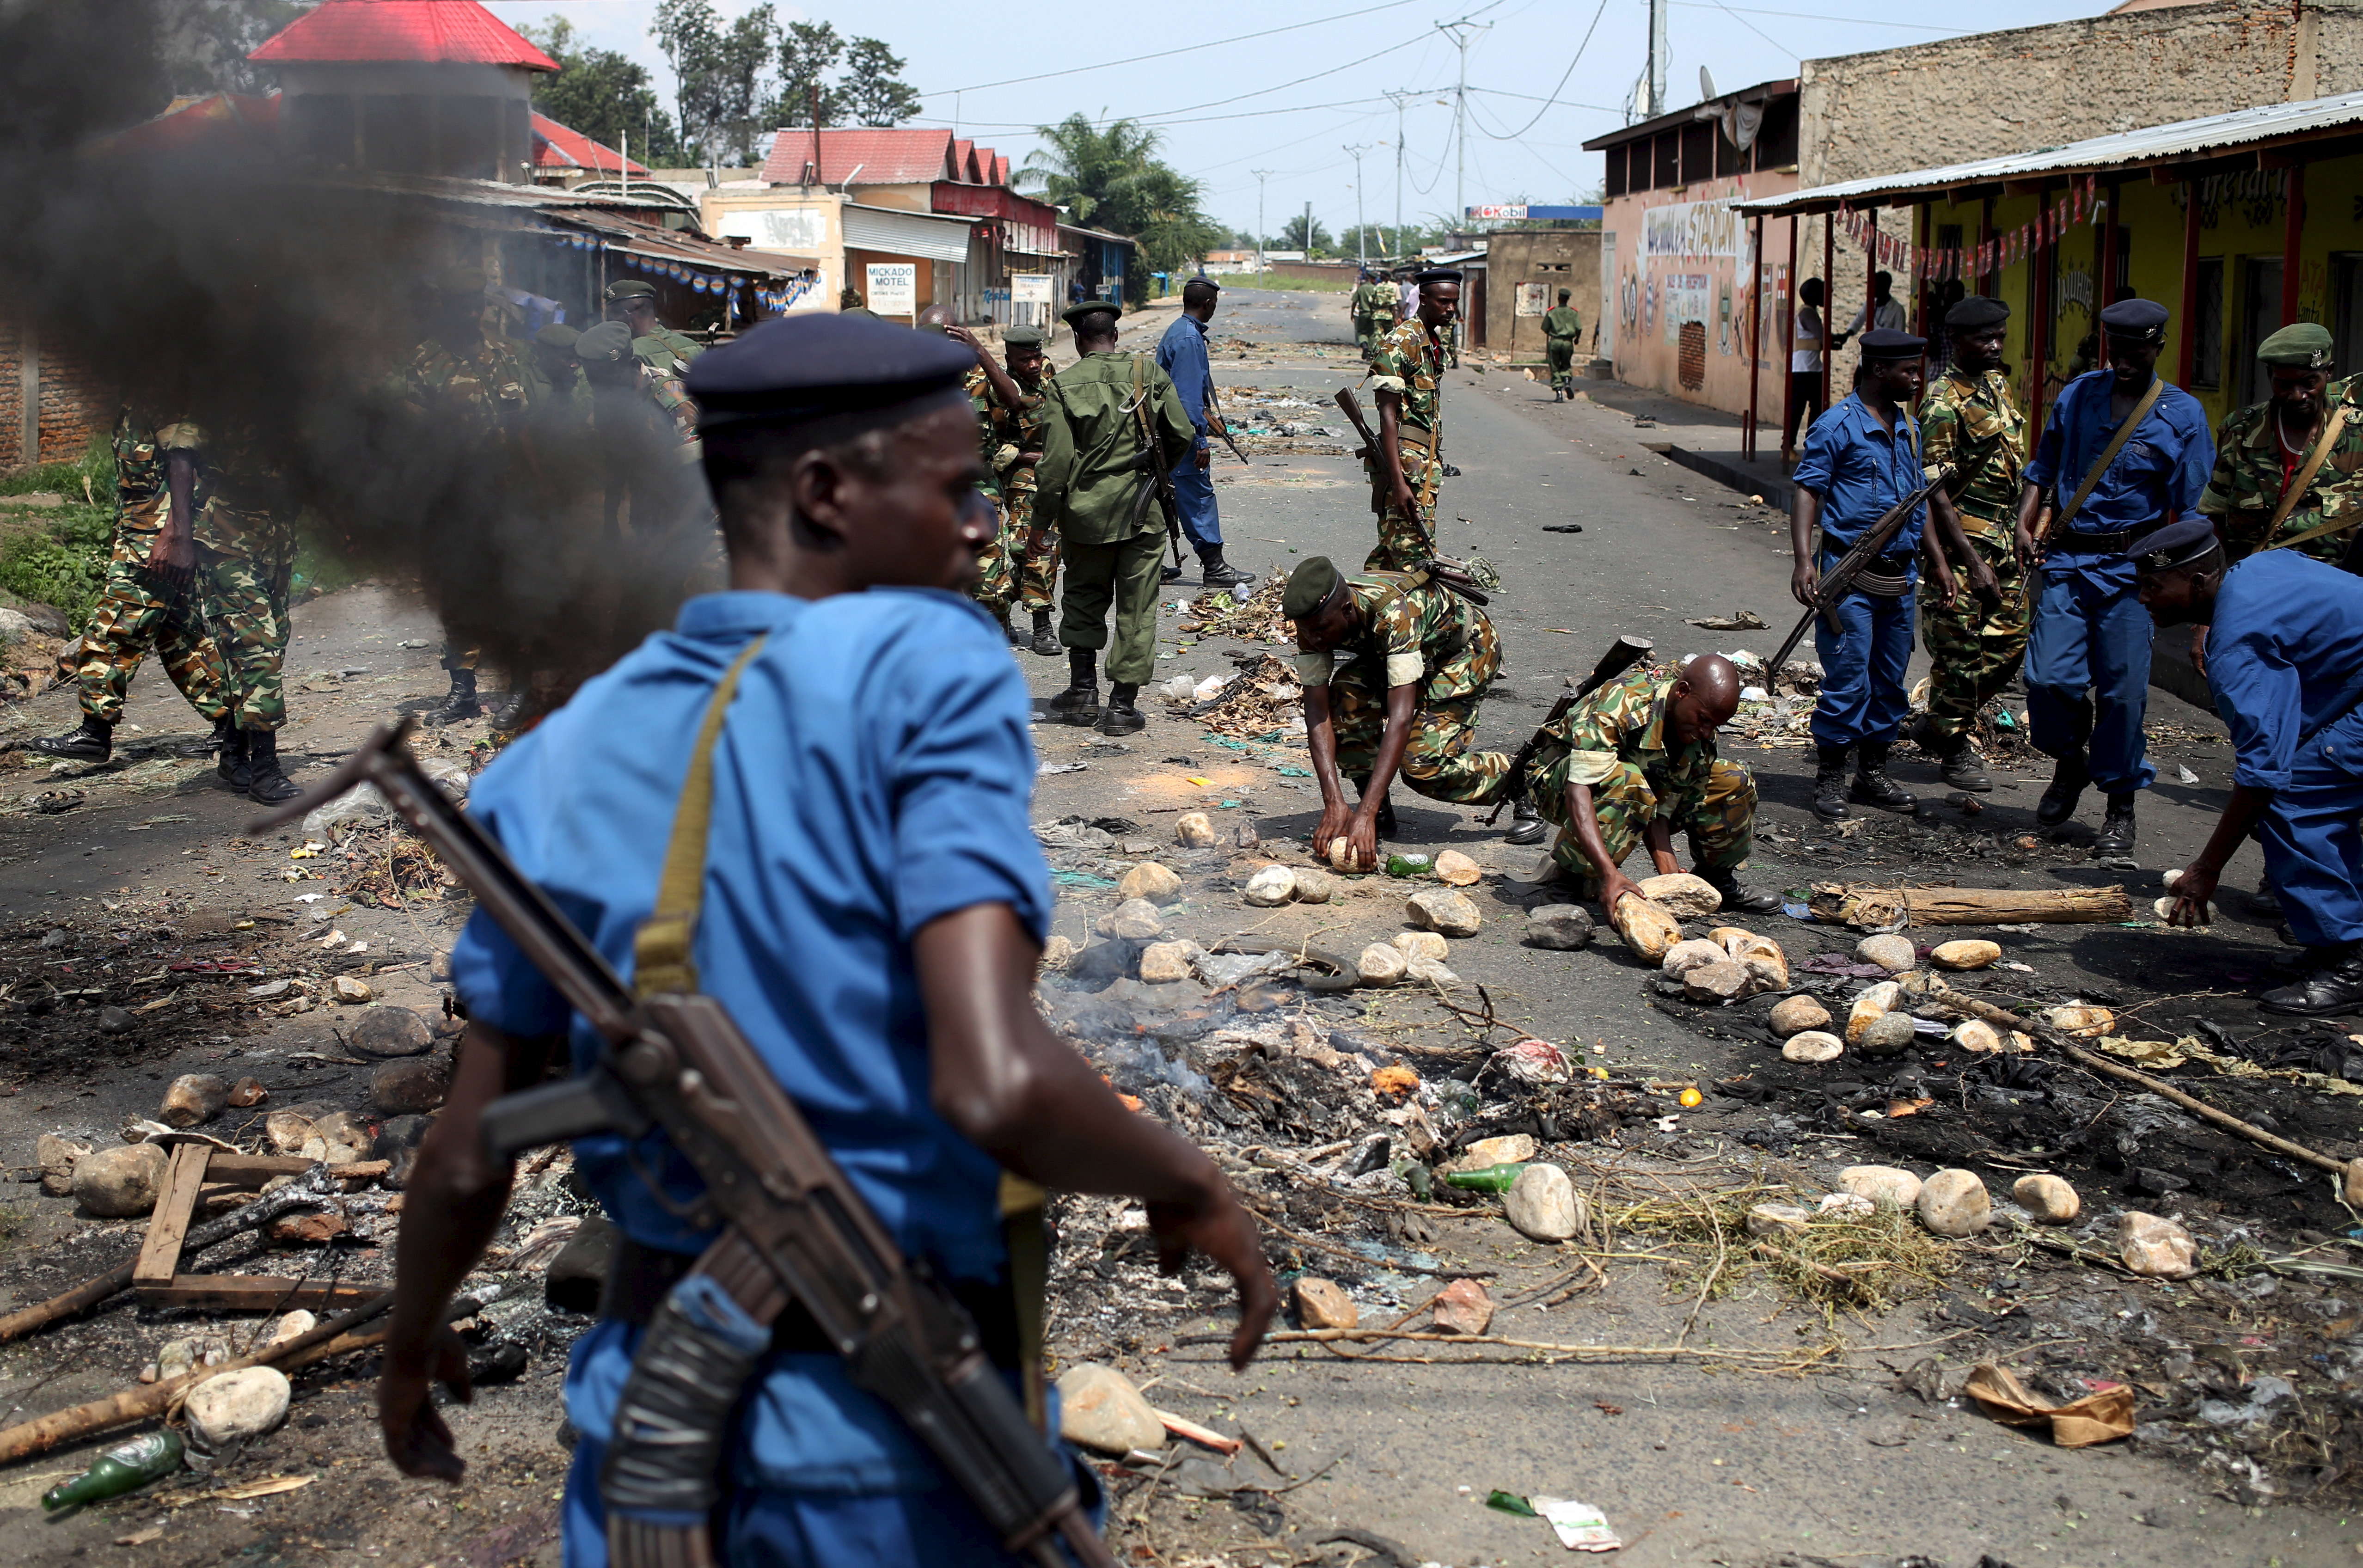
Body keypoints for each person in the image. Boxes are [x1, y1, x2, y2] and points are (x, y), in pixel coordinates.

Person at [375, 311, 1276, 1566]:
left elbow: (470, 1155)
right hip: (880, 1455)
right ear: (824, 493)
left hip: (642, 1432)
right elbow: (997, 1079)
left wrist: (410, 1347)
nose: (982, 527)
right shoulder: (930, 665)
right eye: (956, 489)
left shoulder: (552, 758)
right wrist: (1192, 1184)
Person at [2014, 296, 2213, 855]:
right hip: (2069, 561)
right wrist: (2024, 519)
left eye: (2136, 351)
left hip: (2134, 576)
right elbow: (2043, 466)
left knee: (2124, 696)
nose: (2124, 361)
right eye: (2116, 350)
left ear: (2157, 347)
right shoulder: (2079, 395)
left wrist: (2191, 595)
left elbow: (2193, 515)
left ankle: (2121, 807)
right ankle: (2070, 761)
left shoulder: (2182, 415)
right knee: (2048, 679)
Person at [2146, 516, 2363, 1013]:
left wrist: (2207, 867)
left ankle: (2348, 963)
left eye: (2154, 585)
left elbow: (2263, 772)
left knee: (2294, 799)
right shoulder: (2259, 568)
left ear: (2198, 582)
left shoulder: (2236, 644)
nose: (2144, 598)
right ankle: (2338, 944)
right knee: (2319, 781)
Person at [1790, 328, 1952, 821]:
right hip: (1849, 575)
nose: (1917, 379)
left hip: (1898, 577)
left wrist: (1940, 562)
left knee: (1890, 680)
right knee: (1848, 678)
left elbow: (1914, 505)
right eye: (1909, 371)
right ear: (1880, 370)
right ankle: (1831, 777)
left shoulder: (1909, 427)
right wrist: (1803, 560)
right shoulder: (1837, 425)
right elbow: (1808, 491)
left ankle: (1872, 772)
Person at [1284, 555, 1542, 859]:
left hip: (1461, 655)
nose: (1314, 639)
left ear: (1347, 609)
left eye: (1322, 630)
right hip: (1396, 654)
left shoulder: (1395, 614)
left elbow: (1401, 718)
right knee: (1346, 695)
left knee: (1422, 765)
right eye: (1308, 631)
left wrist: (1363, 813)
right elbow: (1317, 711)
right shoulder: (1313, 621)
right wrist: (1334, 803)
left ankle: (1525, 781)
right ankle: (1378, 807)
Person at [28, 408, 234, 766]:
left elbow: (187, 463)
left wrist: (176, 534)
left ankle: (95, 731)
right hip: (140, 526)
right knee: (179, 634)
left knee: (116, 625)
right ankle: (233, 722)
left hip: (159, 533)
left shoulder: (162, 385)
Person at [1514, 652, 1782, 915]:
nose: (1707, 732)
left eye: (1716, 725)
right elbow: (1580, 791)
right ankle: (1567, 883)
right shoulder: (1622, 704)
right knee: (1627, 779)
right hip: (1560, 787)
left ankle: (1715, 880)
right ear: (1682, 692)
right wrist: (1611, 875)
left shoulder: (1699, 730)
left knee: (1732, 779)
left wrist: (1673, 881)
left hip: (1632, 794)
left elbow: (1664, 804)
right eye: (1703, 720)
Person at [1036, 299, 1197, 735]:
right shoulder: (1148, 375)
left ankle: (1083, 693)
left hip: (1085, 516)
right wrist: (1156, 467)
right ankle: (1122, 708)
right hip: (1142, 515)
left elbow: (1054, 468)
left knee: (1084, 599)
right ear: (1116, 336)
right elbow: (1182, 434)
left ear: (1077, 339)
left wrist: (1039, 525)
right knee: (1137, 607)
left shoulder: (1064, 385)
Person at [405, 263, 539, 726]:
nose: (468, 314)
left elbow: (525, 423)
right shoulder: (425, 360)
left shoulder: (505, 356)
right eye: (458, 305)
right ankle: (462, 690)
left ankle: (522, 687)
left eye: (474, 305)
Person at [1913, 295, 2018, 792]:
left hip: (2004, 538)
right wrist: (1970, 561)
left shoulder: (1997, 385)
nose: (1995, 345)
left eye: (1999, 336)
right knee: (1958, 652)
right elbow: (1934, 493)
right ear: (1957, 341)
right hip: (1961, 549)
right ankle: (1954, 747)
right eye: (1984, 338)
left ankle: (1936, 725)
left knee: (2010, 645)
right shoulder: (1941, 402)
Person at [184, 417, 302, 803]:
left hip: (276, 541)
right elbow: (181, 457)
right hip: (227, 540)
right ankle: (265, 771)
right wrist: (176, 533)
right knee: (258, 650)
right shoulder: (224, 387)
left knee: (266, 649)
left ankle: (235, 755)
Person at [2199, 322, 2363, 567]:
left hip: (2337, 583)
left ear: (2328, 373)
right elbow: (2215, 518)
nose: (2297, 395)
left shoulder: (2357, 432)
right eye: (2284, 385)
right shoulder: (2240, 431)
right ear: (2270, 377)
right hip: (2259, 581)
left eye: (2309, 383)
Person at [1155, 277, 1254, 590]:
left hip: (1170, 430)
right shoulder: (1188, 339)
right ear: (1208, 304)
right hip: (1180, 435)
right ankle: (1215, 567)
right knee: (1198, 496)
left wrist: (1209, 418)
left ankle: (1150, 566)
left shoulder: (1182, 331)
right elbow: (1186, 398)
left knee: (1163, 500)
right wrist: (1200, 441)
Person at [1363, 269, 1459, 570]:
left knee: (1398, 549)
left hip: (1425, 459)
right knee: (1413, 554)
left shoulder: (1430, 342)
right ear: (1424, 299)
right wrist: (1398, 480)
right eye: (1444, 302)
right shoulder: (1400, 344)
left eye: (1455, 302)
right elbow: (1387, 416)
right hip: (1406, 462)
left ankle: (1374, 608)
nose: (1451, 309)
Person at [576, 320, 701, 540]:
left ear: (623, 365)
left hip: (695, 519)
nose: (596, 384)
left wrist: (672, 543)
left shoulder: (670, 397)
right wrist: (610, 518)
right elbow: (616, 461)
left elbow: (701, 479)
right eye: (591, 375)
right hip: (650, 509)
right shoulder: (608, 401)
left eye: (601, 376)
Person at [605, 279, 704, 378]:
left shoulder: (628, 355)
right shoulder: (694, 346)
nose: (609, 322)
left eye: (611, 316)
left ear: (626, 314)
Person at [1782, 278, 1834, 464]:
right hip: (1807, 370)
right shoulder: (1809, 314)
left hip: (1807, 368)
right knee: (1808, 410)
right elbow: (1824, 338)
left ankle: (1799, 446)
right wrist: (1837, 340)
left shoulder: (1805, 313)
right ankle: (1804, 447)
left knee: (1807, 409)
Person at [524, 323, 591, 429]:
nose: (575, 365)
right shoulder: (526, 380)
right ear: (545, 354)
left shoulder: (579, 376)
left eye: (578, 358)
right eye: (567, 358)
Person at [1542, 288, 1583, 402]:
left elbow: (1545, 328)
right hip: (1568, 342)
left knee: (1555, 366)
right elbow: (1579, 328)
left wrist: (1553, 332)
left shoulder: (1552, 312)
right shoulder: (1573, 313)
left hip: (1555, 341)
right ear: (1568, 300)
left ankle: (1559, 393)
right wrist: (1577, 339)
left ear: (1559, 299)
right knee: (1566, 364)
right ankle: (1567, 381)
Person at [1845, 270, 1908, 338]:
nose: (1872, 289)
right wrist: (1846, 335)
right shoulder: (1870, 304)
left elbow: (1899, 337)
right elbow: (1858, 321)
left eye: (1876, 286)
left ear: (1885, 287)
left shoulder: (1897, 310)